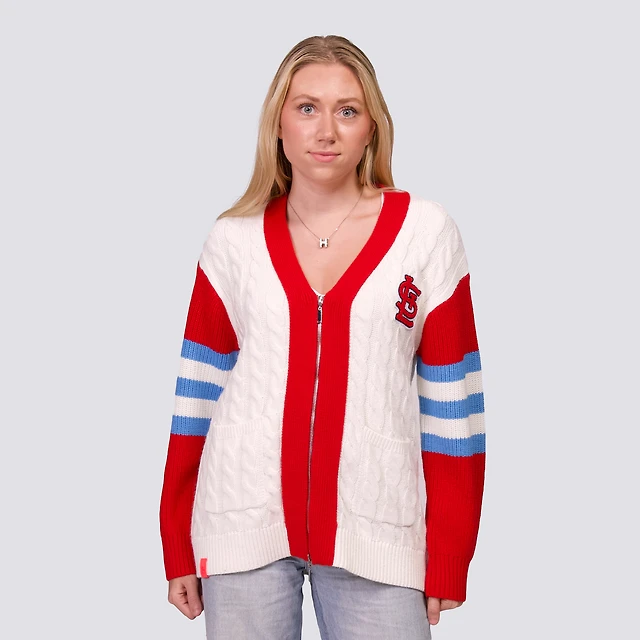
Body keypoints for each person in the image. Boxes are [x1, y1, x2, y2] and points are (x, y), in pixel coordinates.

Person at [159, 34, 486, 640]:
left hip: (378, 530)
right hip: (241, 522)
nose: (326, 130)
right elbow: (196, 399)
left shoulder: (425, 235)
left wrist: (449, 551)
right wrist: (177, 538)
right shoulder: (232, 241)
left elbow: (454, 410)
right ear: (278, 123)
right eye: (307, 107)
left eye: (347, 110)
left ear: (371, 128)